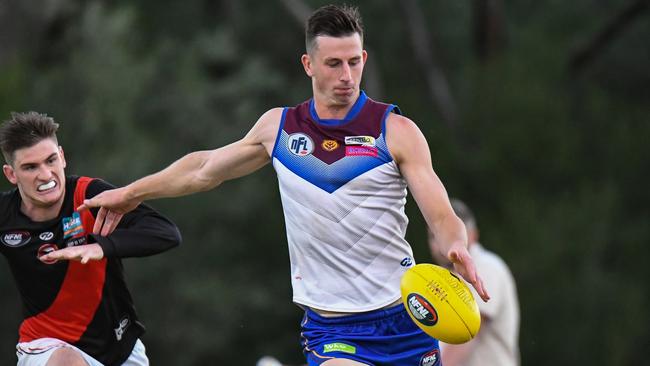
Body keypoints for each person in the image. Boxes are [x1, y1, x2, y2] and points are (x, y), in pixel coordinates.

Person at [80, 5, 489, 365]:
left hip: (404, 314)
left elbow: (441, 215)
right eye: (333, 64)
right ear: (308, 65)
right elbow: (203, 169)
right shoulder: (279, 129)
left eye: (353, 62)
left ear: (364, 58)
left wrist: (455, 245)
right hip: (333, 329)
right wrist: (132, 193)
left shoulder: (396, 131)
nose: (346, 75)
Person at [0, 111, 182, 366]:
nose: (45, 175)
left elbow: (166, 233)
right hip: (46, 345)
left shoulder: (90, 195)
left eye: (50, 160)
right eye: (30, 167)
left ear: (62, 157)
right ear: (11, 174)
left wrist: (101, 248)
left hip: (120, 346)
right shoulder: (4, 215)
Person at [430, 199, 520, 366]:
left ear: (472, 235)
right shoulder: (440, 278)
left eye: (453, 234)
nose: (441, 242)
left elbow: (467, 334)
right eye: (435, 235)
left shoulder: (486, 266)